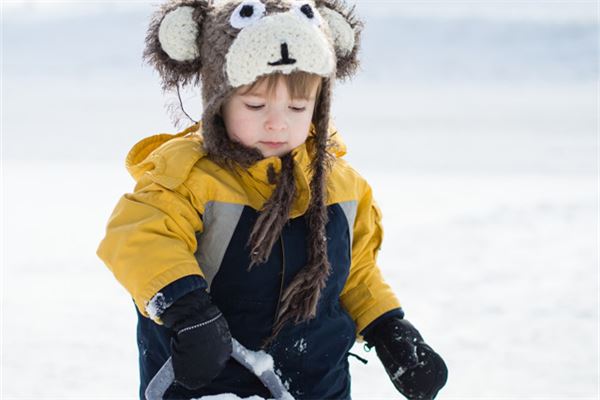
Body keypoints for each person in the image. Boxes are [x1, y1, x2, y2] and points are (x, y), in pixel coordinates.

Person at [97, 1, 448, 399]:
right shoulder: (189, 177)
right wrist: (187, 309)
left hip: (317, 385)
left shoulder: (342, 187)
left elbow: (356, 272)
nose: (277, 122)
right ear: (218, 99)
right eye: (255, 105)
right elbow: (139, 236)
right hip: (212, 382)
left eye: (298, 107)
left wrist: (388, 327)